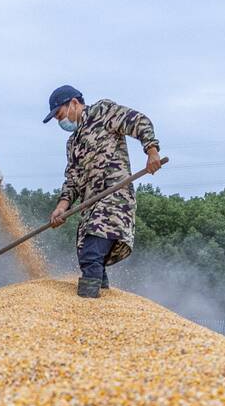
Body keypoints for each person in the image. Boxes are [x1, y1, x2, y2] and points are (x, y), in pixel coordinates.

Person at [43, 85, 163, 298]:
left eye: (60, 115)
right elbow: (72, 181)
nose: (60, 122)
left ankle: (88, 304)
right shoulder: (73, 143)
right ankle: (104, 304)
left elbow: (138, 121)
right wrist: (61, 207)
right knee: (89, 256)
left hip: (114, 200)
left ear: (73, 103)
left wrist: (151, 150)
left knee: (92, 252)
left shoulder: (103, 111)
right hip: (91, 206)